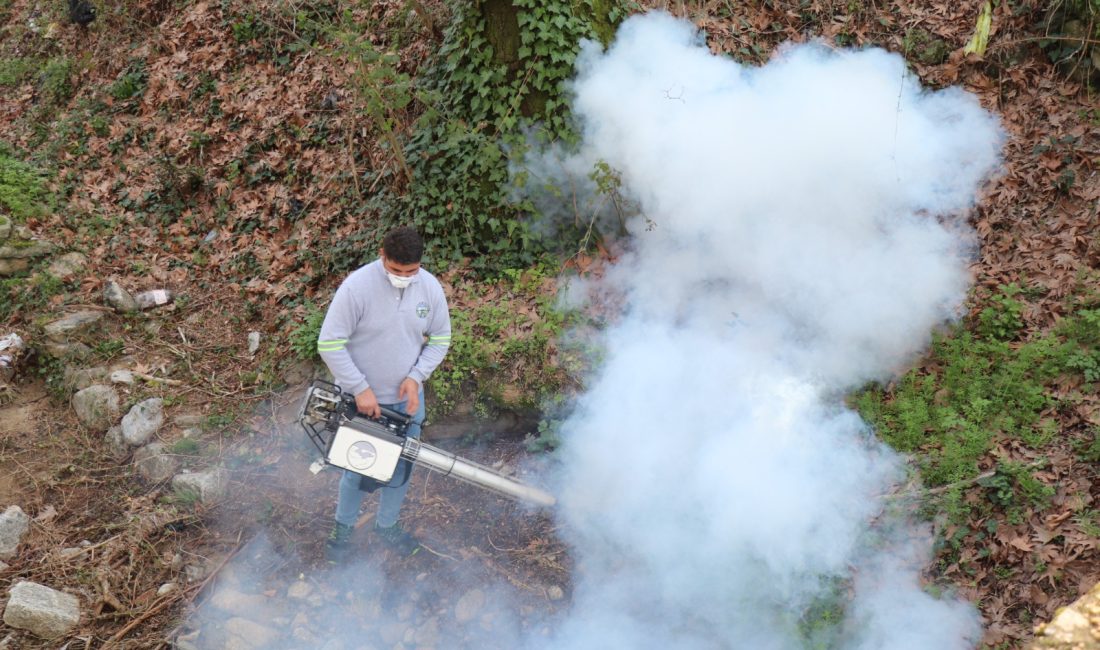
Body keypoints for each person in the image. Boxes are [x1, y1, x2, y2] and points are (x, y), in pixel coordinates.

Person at [316, 226, 451, 555]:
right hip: (362, 402)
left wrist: (416, 377)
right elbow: (330, 344)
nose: (404, 276)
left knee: (401, 470)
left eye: (411, 271)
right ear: (382, 255)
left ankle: (387, 525)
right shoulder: (357, 288)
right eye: (396, 270)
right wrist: (360, 388)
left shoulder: (429, 288)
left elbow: (441, 338)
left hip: (406, 402)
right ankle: (343, 529)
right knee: (357, 468)